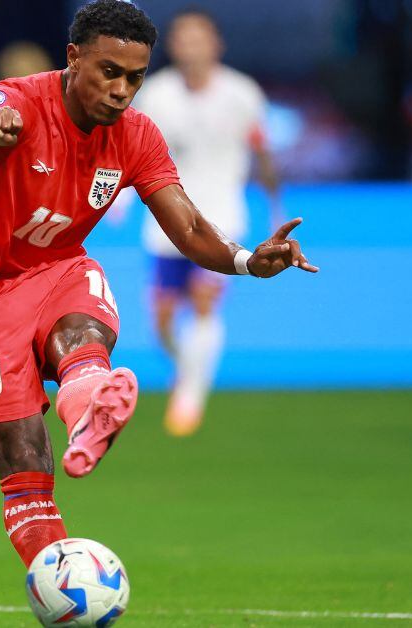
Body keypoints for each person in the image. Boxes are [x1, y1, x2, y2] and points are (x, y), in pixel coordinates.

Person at [0, 0, 316, 568]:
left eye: (134, 78)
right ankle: (60, 577)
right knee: (25, 464)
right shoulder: (18, 100)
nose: (121, 90)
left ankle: (89, 413)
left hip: (60, 268)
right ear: (73, 56)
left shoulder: (135, 135)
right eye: (109, 72)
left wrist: (247, 261)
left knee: (84, 336)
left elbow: (186, 225)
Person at [130, 7, 281, 437]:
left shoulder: (242, 93)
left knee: (203, 302)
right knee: (161, 319)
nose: (191, 45)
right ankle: (186, 369)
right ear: (173, 46)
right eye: (183, 38)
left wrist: (273, 206)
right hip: (165, 218)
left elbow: (263, 152)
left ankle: (190, 395)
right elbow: (128, 150)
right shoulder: (154, 94)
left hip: (221, 216)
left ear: (217, 43)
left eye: (200, 37)